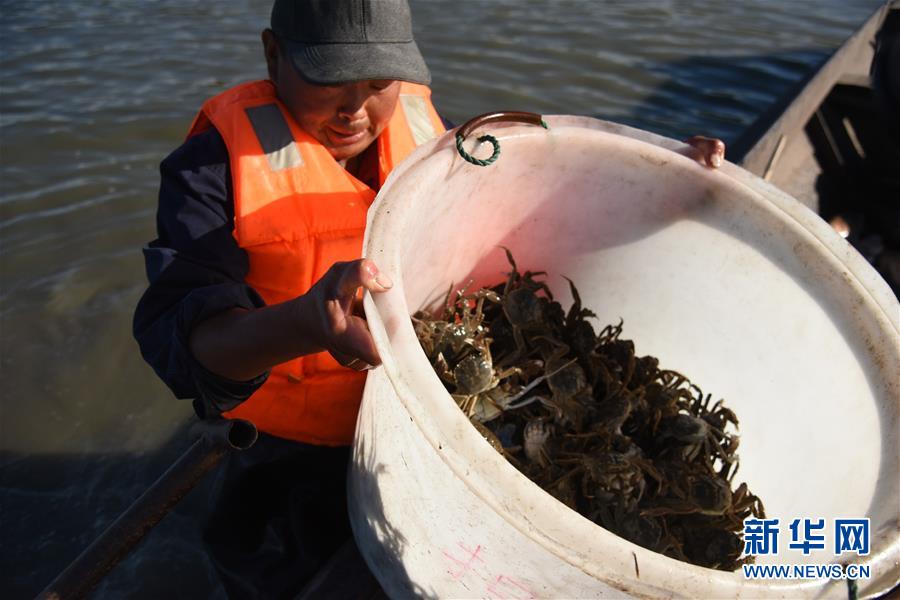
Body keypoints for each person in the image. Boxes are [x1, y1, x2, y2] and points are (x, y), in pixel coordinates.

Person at [133, 0, 726, 596]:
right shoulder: (211, 168)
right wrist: (304, 323)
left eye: (378, 83)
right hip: (283, 452)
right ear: (272, 53)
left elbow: (533, 202)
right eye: (327, 80)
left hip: (416, 424)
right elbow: (185, 347)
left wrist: (663, 179)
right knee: (274, 572)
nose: (355, 110)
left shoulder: (422, 131)